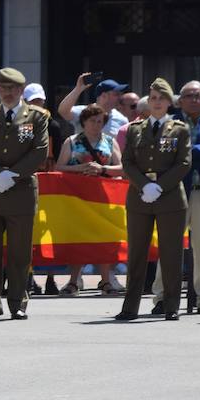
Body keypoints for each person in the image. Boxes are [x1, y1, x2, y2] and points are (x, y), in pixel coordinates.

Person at [0, 67, 50, 320]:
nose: (8, 93)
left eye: (13, 88)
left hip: (21, 192)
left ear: (21, 91)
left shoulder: (36, 116)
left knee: (19, 253)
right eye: (4, 88)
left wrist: (12, 175)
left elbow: (39, 151)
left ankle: (18, 302)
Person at [116, 78, 190, 321]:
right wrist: (144, 184)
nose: (157, 103)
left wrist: (159, 186)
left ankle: (171, 306)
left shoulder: (179, 129)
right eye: (153, 98)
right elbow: (127, 162)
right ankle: (130, 307)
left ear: (170, 102)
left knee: (170, 253)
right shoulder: (136, 129)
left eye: (162, 98)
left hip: (169, 198)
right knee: (136, 252)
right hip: (140, 196)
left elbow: (184, 163)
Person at [151, 80, 200, 316]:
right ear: (179, 100)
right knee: (169, 246)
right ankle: (163, 298)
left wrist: (187, 152)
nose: (194, 99)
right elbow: (164, 158)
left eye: (198, 96)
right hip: (174, 193)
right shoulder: (168, 124)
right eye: (188, 96)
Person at [55, 104, 125, 297]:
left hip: (104, 198)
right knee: (79, 237)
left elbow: (121, 168)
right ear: (83, 122)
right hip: (77, 198)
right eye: (92, 121)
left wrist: (102, 169)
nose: (96, 124)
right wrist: (81, 168)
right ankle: (73, 281)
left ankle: (105, 280)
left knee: (104, 238)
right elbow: (59, 167)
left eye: (99, 121)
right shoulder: (71, 141)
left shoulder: (110, 142)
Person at [57, 74, 127, 138]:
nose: (120, 97)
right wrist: (78, 89)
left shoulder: (122, 120)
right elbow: (63, 111)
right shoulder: (84, 112)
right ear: (104, 96)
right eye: (116, 94)